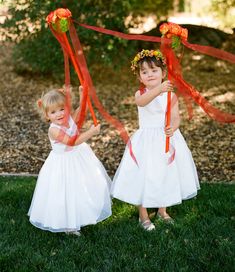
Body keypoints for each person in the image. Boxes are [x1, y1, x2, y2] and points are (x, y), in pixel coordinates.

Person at [111, 49, 199, 231]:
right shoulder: (140, 93)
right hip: (146, 140)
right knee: (144, 175)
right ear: (140, 77)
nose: (149, 74)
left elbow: (176, 117)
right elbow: (142, 103)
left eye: (154, 70)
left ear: (163, 73)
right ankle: (143, 215)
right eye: (144, 72)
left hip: (165, 138)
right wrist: (159, 89)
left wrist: (172, 128)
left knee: (165, 173)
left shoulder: (171, 96)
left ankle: (162, 210)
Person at [28, 87, 112, 236]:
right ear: (47, 115)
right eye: (53, 112)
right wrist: (91, 132)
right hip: (63, 164)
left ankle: (83, 212)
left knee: (82, 187)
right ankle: (68, 224)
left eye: (62, 109)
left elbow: (82, 110)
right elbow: (72, 142)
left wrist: (82, 95)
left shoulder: (70, 118)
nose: (59, 114)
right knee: (66, 191)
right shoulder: (53, 130)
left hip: (79, 158)